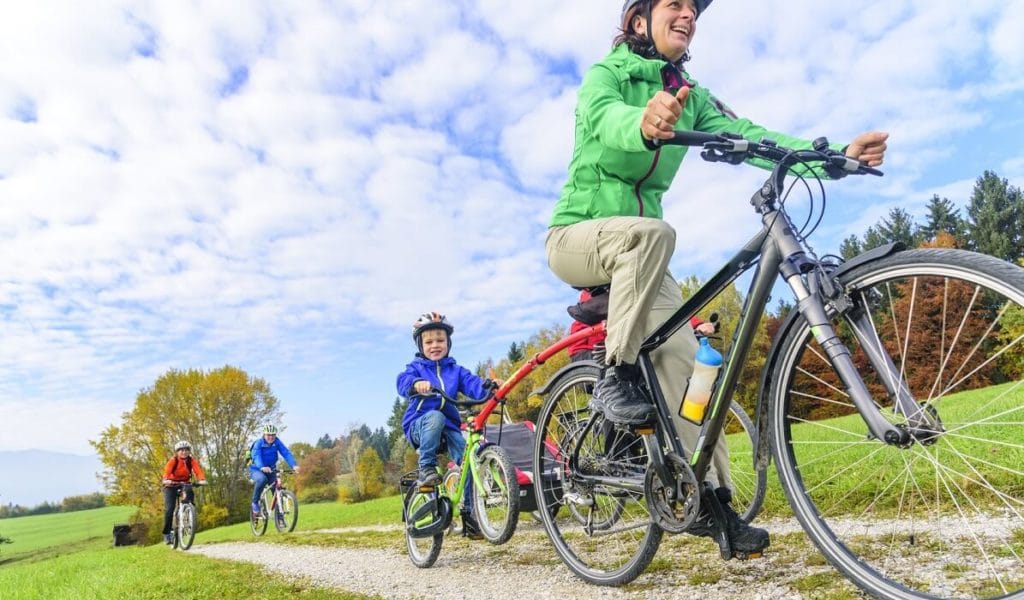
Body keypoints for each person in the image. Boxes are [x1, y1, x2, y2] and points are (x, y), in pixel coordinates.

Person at [545, 0, 888, 555]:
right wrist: (641, 122)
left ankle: (713, 503)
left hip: (641, 259)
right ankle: (615, 376)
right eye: (674, 5)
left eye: (694, 9)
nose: (688, 14)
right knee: (654, 233)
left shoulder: (692, 94)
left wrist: (833, 158)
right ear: (639, 20)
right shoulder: (606, 75)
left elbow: (751, 134)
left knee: (697, 369)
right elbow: (605, 120)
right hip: (577, 238)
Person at [397, 311, 501, 540]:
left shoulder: (455, 370)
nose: (435, 345)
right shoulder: (416, 368)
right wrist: (416, 384)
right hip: (420, 425)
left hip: (449, 427)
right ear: (420, 345)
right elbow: (402, 381)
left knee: (470, 458)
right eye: (429, 341)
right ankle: (426, 469)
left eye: (440, 340)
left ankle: (471, 516)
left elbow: (472, 384)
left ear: (448, 343)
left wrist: (489, 387)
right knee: (435, 416)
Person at [161, 440, 207, 545]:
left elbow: (198, 470)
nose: (184, 452)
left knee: (189, 495)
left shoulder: (191, 461)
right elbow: (167, 472)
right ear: (177, 452)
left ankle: (188, 513)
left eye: (186, 450)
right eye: (181, 450)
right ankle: (167, 533)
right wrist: (166, 479)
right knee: (169, 510)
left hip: (184, 484)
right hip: (170, 485)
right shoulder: (173, 461)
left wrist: (202, 479)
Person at [249, 424, 299, 516]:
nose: (271, 437)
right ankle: (255, 503)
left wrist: (294, 465)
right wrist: (262, 467)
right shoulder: (258, 443)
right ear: (264, 435)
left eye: (273, 435)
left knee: (277, 491)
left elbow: (286, 453)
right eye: (268, 435)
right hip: (256, 469)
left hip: (271, 469)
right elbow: (256, 457)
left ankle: (280, 518)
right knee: (262, 479)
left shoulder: (277, 442)